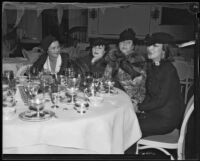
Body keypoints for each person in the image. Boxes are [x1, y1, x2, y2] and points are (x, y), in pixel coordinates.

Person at [136, 32, 185, 137]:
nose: (150, 48)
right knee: (127, 121)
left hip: (165, 119)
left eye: (155, 46)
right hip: (155, 113)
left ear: (164, 50)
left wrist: (139, 107)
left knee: (128, 126)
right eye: (149, 45)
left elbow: (160, 100)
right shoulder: (153, 66)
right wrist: (140, 107)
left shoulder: (168, 70)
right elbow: (150, 94)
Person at [105, 28, 146, 104]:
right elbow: (106, 78)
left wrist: (135, 101)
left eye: (128, 42)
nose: (124, 44)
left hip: (132, 100)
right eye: (122, 42)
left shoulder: (138, 61)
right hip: (112, 97)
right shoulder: (113, 59)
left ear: (133, 46)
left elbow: (140, 85)